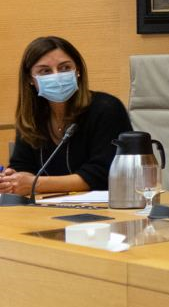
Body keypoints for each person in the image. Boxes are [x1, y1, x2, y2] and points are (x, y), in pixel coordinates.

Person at [0, 36, 132, 196]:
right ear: (30, 79)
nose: (56, 76)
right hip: (45, 206)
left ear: (78, 71)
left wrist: (36, 184)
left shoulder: (107, 108)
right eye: (45, 71)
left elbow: (104, 174)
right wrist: (12, 180)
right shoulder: (31, 116)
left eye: (64, 68)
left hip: (104, 206)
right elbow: (23, 166)